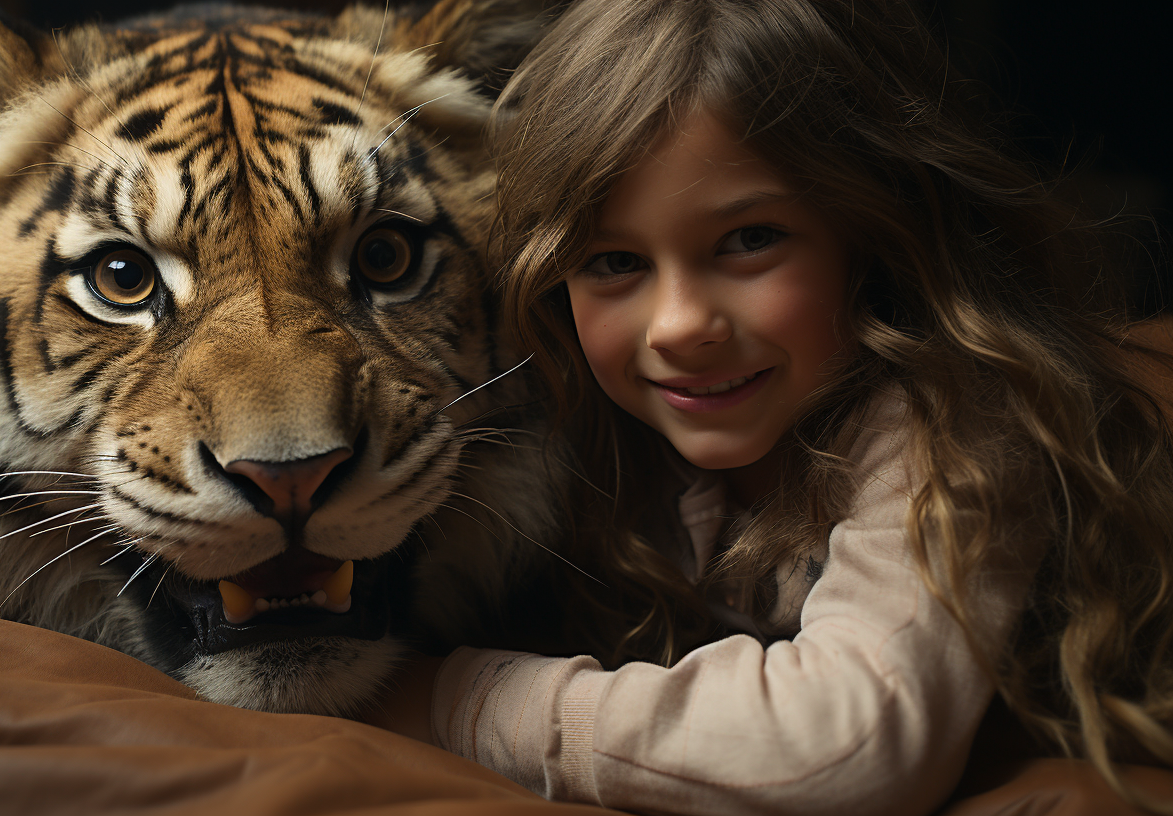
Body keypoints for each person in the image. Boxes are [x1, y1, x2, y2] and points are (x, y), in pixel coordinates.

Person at [362, 0, 1173, 813]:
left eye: (749, 240)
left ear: (874, 231)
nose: (679, 327)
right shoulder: (600, 436)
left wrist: (454, 700)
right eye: (613, 260)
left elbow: (840, 746)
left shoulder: (952, 424)